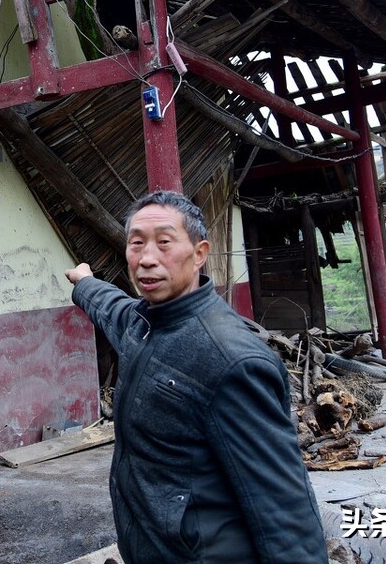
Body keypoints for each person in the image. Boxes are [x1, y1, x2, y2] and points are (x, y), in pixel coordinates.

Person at [65, 190, 328, 563]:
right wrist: (83, 282)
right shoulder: (144, 324)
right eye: (136, 244)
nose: (147, 259)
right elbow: (112, 307)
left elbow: (283, 504)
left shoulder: (231, 359)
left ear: (200, 253)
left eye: (164, 243)